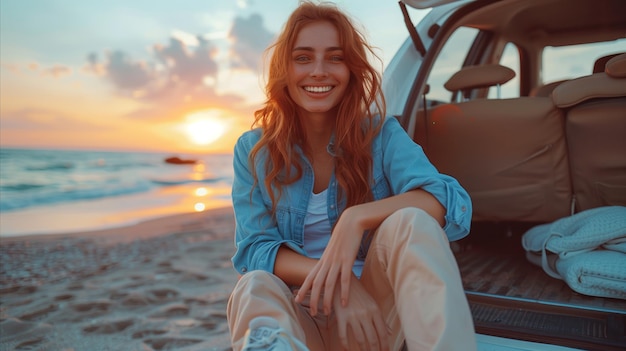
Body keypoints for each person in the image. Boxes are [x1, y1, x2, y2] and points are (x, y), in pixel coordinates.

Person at [227, 1, 476, 350]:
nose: (318, 71)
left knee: (410, 222)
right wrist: (344, 288)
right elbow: (254, 249)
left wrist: (354, 219)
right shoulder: (255, 150)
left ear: (351, 69)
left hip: (375, 318)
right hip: (303, 314)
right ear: (285, 70)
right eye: (303, 58)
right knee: (253, 286)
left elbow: (447, 201)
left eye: (335, 57)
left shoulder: (381, 134)